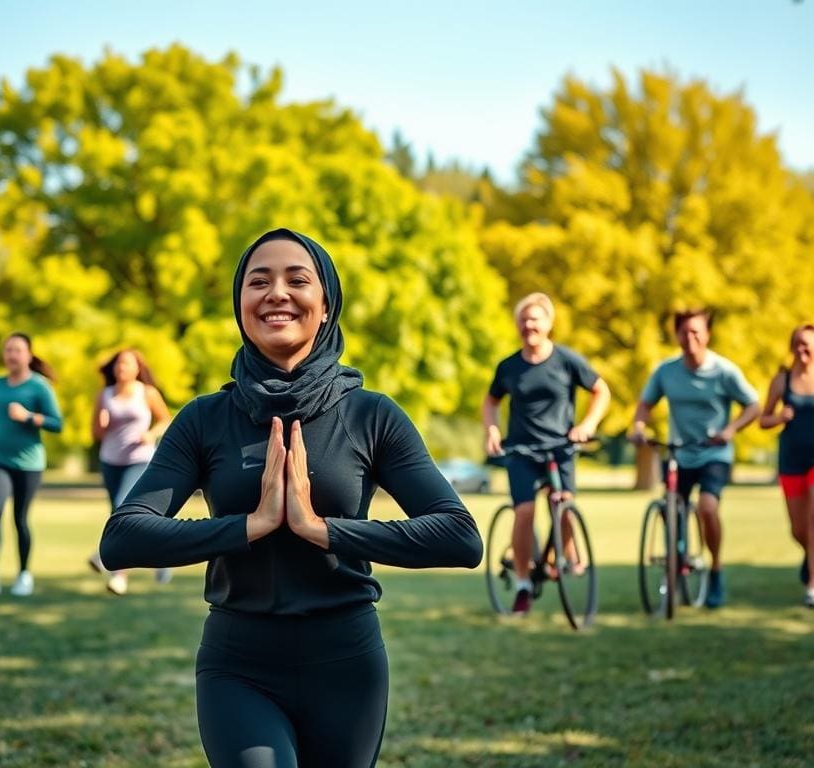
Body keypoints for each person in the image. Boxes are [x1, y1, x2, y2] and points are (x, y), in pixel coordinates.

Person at [98, 228, 482, 768]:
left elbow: (460, 536)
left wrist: (320, 528)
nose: (276, 292)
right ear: (241, 305)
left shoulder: (371, 415)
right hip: (238, 665)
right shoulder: (205, 419)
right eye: (259, 281)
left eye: (297, 280)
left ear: (326, 305)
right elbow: (121, 538)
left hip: (347, 662)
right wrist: (248, 526)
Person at [481, 292, 610, 616]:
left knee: (564, 505)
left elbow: (601, 390)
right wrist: (493, 430)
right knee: (524, 512)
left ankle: (561, 555)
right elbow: (491, 402)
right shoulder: (509, 366)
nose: (529, 325)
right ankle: (523, 582)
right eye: (523, 320)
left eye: (535, 319)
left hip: (561, 448)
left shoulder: (567, 360)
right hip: (522, 450)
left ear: (549, 324)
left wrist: (588, 424)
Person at [632, 309, 760, 609]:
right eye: (684, 332)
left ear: (707, 334)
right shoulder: (666, 371)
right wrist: (638, 428)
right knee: (670, 509)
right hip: (678, 451)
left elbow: (753, 405)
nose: (690, 338)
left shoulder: (724, 371)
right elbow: (644, 405)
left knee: (707, 507)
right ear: (676, 335)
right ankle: (677, 559)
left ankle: (715, 568)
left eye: (696, 332)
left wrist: (730, 429)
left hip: (713, 453)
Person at [0, 333, 62, 597]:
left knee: (20, 518)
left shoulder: (39, 386)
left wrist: (29, 416)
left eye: (17, 350)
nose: (12, 355)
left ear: (29, 355)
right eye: (8, 350)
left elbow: (57, 424)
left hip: (29, 464)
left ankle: (23, 575)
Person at [88, 348, 172, 595]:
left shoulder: (146, 393)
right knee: (123, 514)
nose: (121, 367)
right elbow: (95, 433)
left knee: (121, 507)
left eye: (127, 363)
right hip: (110, 460)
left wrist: (151, 434)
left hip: (139, 459)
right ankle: (162, 556)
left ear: (137, 368)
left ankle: (116, 572)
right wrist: (102, 424)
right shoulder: (105, 395)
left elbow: (166, 419)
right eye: (118, 363)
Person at [759, 323, 814, 608]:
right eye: (798, 344)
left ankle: (812, 587)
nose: (802, 349)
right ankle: (809, 556)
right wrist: (780, 417)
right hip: (791, 458)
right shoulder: (781, 380)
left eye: (808, 344)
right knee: (798, 529)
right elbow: (763, 419)